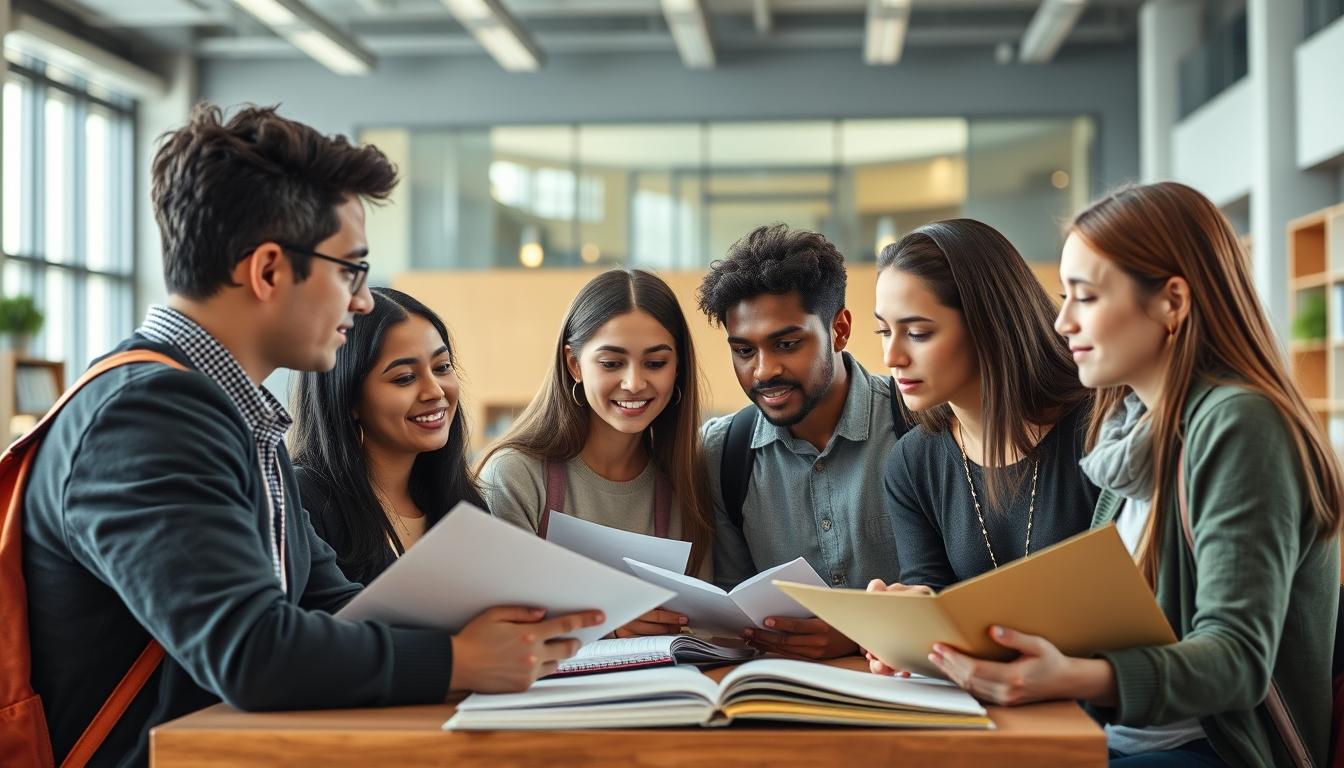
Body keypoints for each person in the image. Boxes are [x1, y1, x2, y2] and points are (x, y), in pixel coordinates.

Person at [20, 104, 600, 767]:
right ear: (269, 270)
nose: (361, 299)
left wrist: (535, 627)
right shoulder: (148, 413)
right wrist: (459, 658)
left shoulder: (232, 412)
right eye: (350, 269)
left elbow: (337, 604)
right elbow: (251, 653)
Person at [874, 182, 1341, 767]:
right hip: (1110, 736)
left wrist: (1073, 675)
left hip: (1214, 749)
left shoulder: (1238, 423)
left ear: (1172, 302)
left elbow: (1237, 662)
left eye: (1086, 297)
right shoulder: (1130, 431)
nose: (1063, 321)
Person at [697, 223, 910, 660]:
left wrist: (858, 634)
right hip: (783, 703)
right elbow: (732, 614)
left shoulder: (918, 426)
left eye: (787, 343)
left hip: (915, 700)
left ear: (840, 329)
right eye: (743, 350)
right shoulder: (721, 455)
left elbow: (963, 589)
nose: (763, 371)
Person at [479, 268, 713, 637]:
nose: (634, 382)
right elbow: (495, 624)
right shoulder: (515, 476)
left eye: (656, 363)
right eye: (611, 363)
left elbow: (701, 633)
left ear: (678, 367)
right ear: (575, 364)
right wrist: (609, 621)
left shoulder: (686, 480)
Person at [873, 219, 1096, 591]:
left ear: (989, 323)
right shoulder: (912, 464)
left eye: (917, 334)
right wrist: (909, 612)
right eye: (883, 332)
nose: (892, 357)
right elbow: (929, 589)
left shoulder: (1098, 430)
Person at [291, 287, 486, 585]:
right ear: (349, 398)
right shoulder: (303, 501)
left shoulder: (465, 504)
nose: (435, 391)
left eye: (442, 367)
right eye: (405, 378)